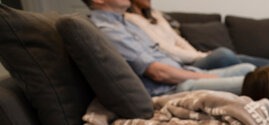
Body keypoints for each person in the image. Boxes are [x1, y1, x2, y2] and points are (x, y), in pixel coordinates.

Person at [81, 0, 255, 96]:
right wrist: (203, 75)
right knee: (260, 83)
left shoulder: (124, 23)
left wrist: (197, 70)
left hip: (184, 73)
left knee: (250, 69)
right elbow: (159, 73)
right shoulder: (109, 31)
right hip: (173, 87)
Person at [125, 0, 269, 78]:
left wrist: (197, 53)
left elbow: (177, 40)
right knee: (226, 55)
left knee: (239, 61)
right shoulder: (131, 20)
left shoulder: (155, 15)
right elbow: (166, 49)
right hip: (177, 65)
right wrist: (198, 56)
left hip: (191, 58)